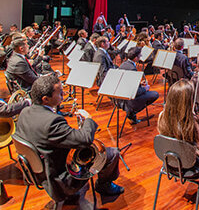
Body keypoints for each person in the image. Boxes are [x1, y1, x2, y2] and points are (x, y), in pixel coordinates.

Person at [14, 74, 124, 203]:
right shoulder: (52, 122)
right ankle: (104, 186)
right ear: (45, 99)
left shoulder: (25, 112)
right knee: (112, 153)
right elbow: (85, 140)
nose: (63, 94)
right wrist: (88, 119)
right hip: (60, 181)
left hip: (38, 173)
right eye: (59, 93)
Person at [157, 79, 199, 187]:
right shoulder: (192, 121)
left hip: (170, 162)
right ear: (188, 101)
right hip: (191, 167)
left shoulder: (162, 116)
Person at [118, 47, 159, 124]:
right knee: (155, 94)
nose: (141, 56)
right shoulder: (132, 69)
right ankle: (132, 112)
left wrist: (139, 84)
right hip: (129, 100)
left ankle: (131, 112)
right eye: (140, 55)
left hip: (121, 97)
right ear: (136, 58)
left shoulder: (124, 64)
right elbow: (134, 92)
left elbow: (127, 83)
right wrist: (145, 89)